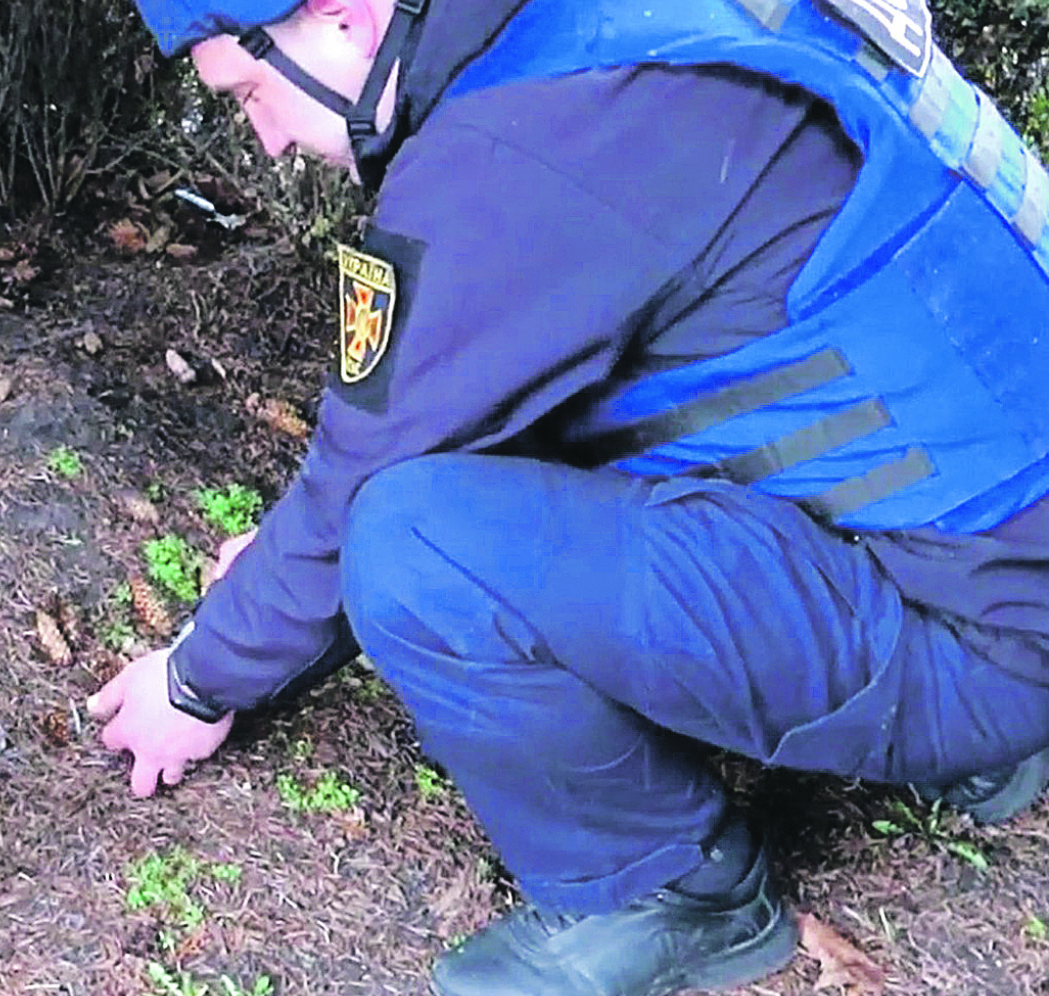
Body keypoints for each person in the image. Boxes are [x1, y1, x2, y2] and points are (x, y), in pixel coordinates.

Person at [84, 1, 1049, 994]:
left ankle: (665, 893)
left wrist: (195, 682)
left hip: (981, 640)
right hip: (1003, 549)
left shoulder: (518, 148)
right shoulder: (598, 32)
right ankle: (968, 737)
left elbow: (362, 481)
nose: (269, 136)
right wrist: (288, 580)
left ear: (344, 16)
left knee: (411, 542)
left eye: (248, 92)